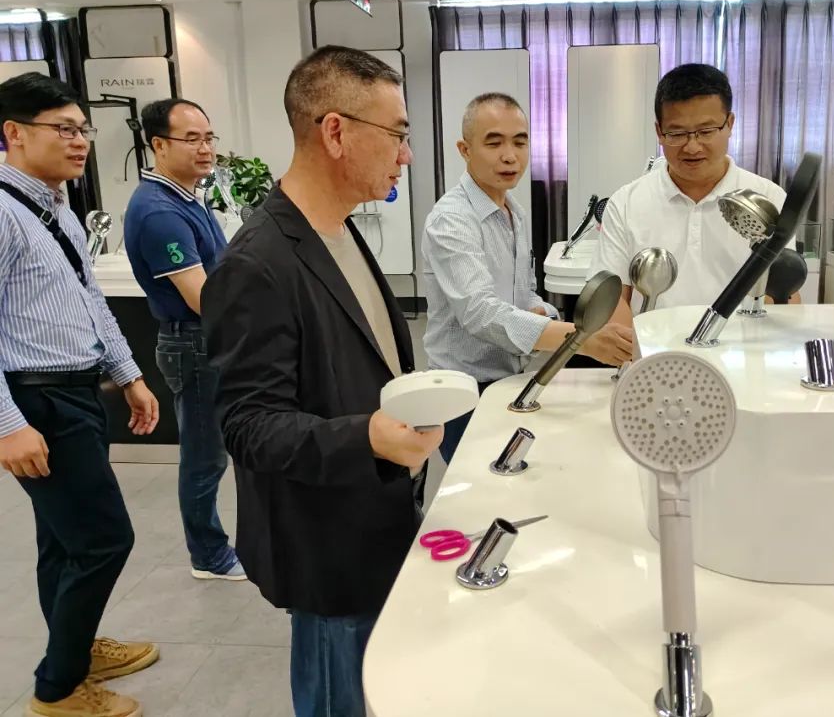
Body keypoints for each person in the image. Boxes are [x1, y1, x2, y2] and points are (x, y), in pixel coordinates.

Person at [201, 46, 443, 717]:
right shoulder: (257, 264)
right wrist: (367, 439)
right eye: (396, 134)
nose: (405, 155)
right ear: (335, 131)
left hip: (376, 517)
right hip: (327, 543)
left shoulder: (339, 231)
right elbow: (248, 426)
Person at [0, 73, 160, 717]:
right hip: (38, 400)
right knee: (103, 541)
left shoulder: (54, 206)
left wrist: (129, 374)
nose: (80, 141)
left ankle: (78, 644)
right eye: (63, 129)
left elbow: (89, 299)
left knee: (63, 541)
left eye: (82, 128)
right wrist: (7, 424)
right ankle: (58, 687)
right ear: (13, 134)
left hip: (75, 390)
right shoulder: (3, 212)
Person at [423, 93, 633, 463]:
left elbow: (526, 292)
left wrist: (544, 314)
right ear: (464, 149)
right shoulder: (451, 219)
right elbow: (480, 313)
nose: (510, 156)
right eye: (494, 143)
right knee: (481, 484)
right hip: (464, 390)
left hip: (509, 378)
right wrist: (579, 339)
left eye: (520, 142)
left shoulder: (513, 212)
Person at [122, 98, 244, 581]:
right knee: (204, 456)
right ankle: (208, 555)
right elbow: (202, 298)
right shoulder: (159, 212)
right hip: (194, 344)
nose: (205, 148)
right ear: (158, 144)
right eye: (191, 139)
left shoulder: (187, 196)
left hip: (209, 341)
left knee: (218, 448)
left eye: (209, 137)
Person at [591, 63, 800, 325]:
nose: (692, 147)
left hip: (739, 346)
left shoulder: (767, 198)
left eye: (706, 131)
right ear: (659, 132)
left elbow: (782, 293)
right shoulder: (626, 203)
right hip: (653, 347)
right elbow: (611, 298)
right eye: (677, 133)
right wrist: (633, 345)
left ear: (729, 124)